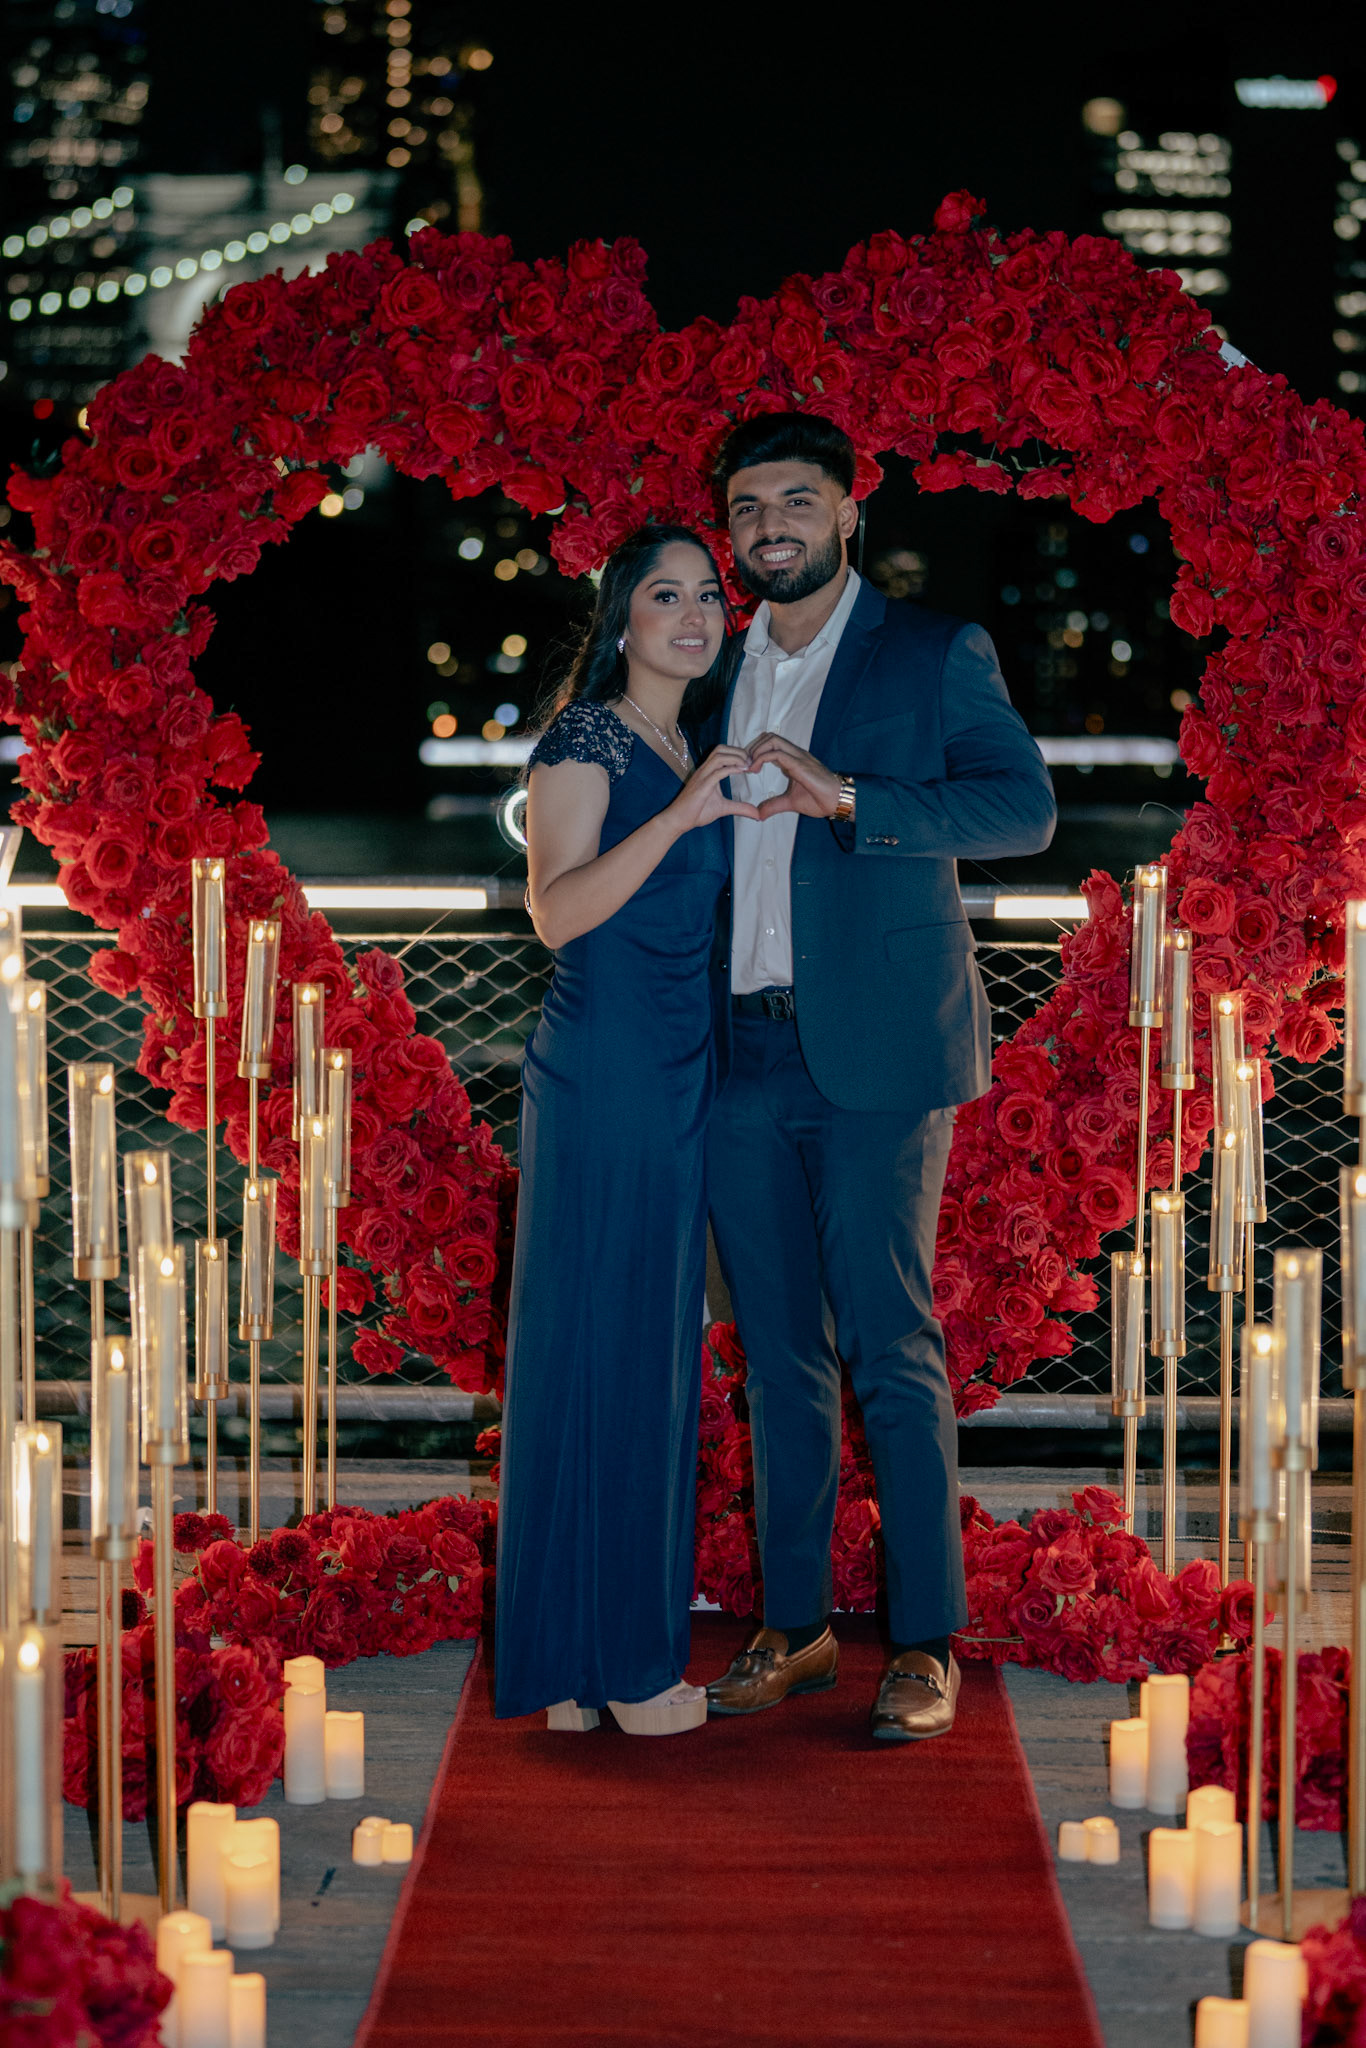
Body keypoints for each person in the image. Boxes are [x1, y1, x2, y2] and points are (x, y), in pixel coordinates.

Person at [702, 413, 1057, 1741]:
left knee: (891, 1347)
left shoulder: (930, 650)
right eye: (749, 507)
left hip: (877, 1054)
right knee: (775, 1355)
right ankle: (793, 1627)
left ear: (849, 512)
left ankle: (923, 1642)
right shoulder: (705, 660)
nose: (770, 526)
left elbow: (1020, 810)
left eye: (797, 500)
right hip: (732, 1052)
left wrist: (849, 797)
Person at [494, 523, 756, 1736]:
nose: (694, 615)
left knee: (644, 1349)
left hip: (678, 1066)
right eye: (666, 595)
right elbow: (558, 912)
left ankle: (582, 1663)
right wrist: (685, 815)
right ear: (622, 620)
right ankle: (615, 1666)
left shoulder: (689, 739)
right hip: (605, 1071)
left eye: (708, 595)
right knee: (604, 1344)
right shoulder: (586, 738)